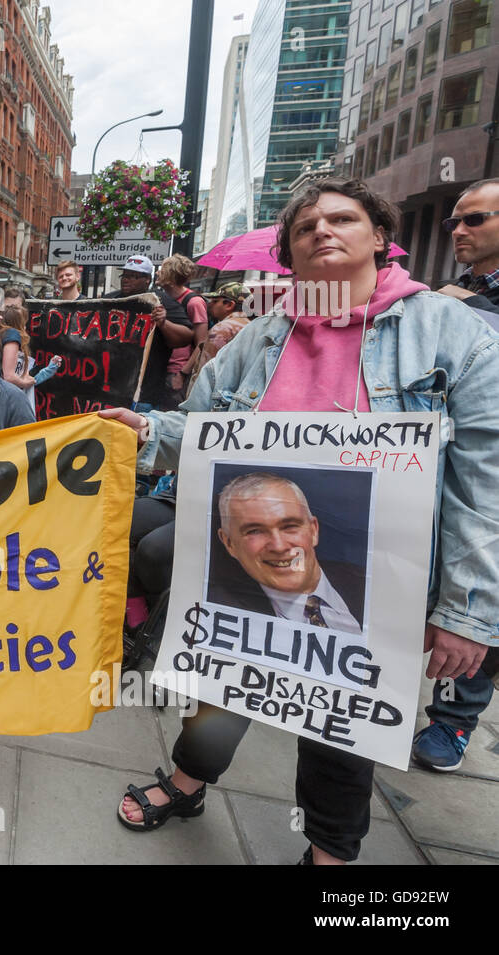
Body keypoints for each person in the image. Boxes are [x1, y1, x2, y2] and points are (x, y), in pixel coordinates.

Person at [104, 177, 499, 864]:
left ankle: (329, 851)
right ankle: (190, 781)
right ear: (288, 252)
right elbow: (196, 427)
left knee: (342, 725)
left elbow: (484, 481)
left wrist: (469, 609)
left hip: (377, 578)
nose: (322, 230)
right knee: (218, 687)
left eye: (342, 217)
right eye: (305, 225)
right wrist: (144, 429)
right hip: (242, 564)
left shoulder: (452, 332)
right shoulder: (257, 339)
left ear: (381, 236)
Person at [412, 177, 499, 771]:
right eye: (454, 222)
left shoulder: (467, 302)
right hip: (454, 456)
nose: (459, 231)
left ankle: (455, 719)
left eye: (475, 220)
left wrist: (470, 313)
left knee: (481, 593)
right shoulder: (455, 293)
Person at [209, 472, 365, 632]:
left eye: (289, 526)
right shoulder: (213, 612)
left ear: (313, 531)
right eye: (255, 531)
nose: (279, 546)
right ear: (229, 543)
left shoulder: (365, 582)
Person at [103, 255, 193, 411]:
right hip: (110, 390)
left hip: (144, 394)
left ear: (147, 280)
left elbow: (186, 336)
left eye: (133, 276)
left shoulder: (162, 301)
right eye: (125, 275)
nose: (126, 280)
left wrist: (164, 323)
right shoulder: (110, 300)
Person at [437, 177, 499, 316]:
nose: (457, 232)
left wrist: (471, 301)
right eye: (452, 224)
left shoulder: (461, 295)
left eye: (475, 219)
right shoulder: (453, 290)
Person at [157, 254, 209, 398]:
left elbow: (202, 343)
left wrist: (182, 374)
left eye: (162, 270)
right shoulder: (163, 299)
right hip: (162, 367)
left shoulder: (194, 302)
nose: (157, 272)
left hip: (176, 372)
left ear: (171, 276)